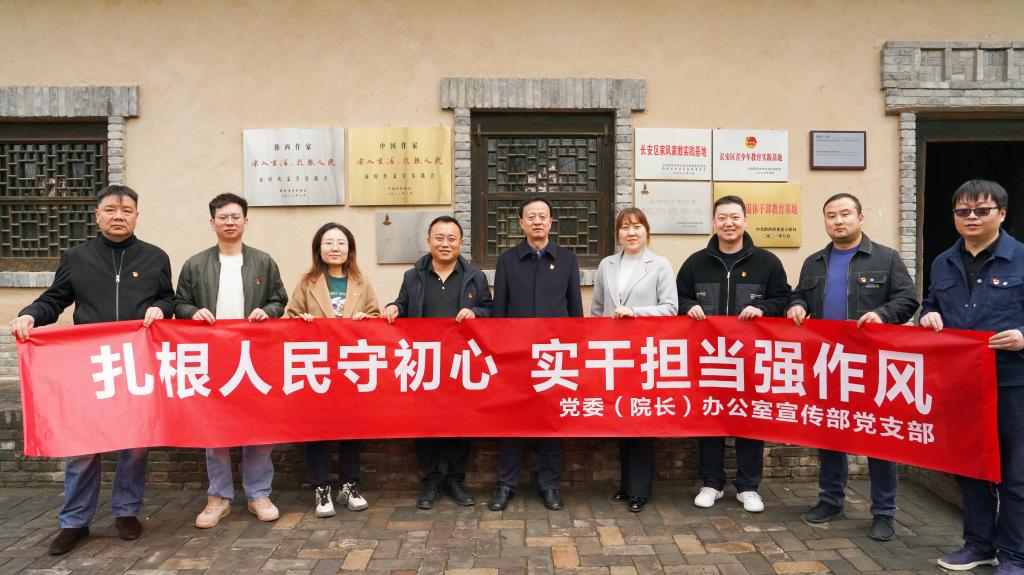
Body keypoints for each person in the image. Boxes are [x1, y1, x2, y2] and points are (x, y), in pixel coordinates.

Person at [9, 185, 174, 554]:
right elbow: (55, 298)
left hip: (136, 364)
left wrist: (162, 308)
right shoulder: (77, 257)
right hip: (90, 365)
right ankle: (75, 521)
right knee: (83, 445)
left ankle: (127, 511)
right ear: (97, 215)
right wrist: (31, 315)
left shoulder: (155, 257)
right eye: (111, 209)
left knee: (135, 444)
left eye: (127, 210)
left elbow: (168, 297)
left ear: (137, 216)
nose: (119, 216)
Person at [787, 193, 918, 540]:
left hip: (872, 364)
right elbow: (798, 294)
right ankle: (831, 499)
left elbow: (908, 299)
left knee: (879, 438)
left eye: (845, 214)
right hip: (828, 363)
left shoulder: (886, 258)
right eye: (831, 215)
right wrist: (796, 306)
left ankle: (884, 511)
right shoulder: (814, 262)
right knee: (830, 433)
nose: (838, 221)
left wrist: (882, 314)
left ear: (860, 217)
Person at [920, 180, 1024, 574]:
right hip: (961, 383)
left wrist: (1023, 336)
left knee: (1015, 473)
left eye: (982, 210)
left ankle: (1014, 554)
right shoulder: (943, 262)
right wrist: (928, 315)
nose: (972, 218)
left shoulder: (1021, 259)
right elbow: (931, 304)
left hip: (1012, 383)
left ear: (1001, 213)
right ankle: (979, 544)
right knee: (969, 466)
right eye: (963, 211)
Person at [173, 193, 288, 528]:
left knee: (259, 426)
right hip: (213, 357)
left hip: (254, 357)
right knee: (215, 428)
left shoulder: (263, 261)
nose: (229, 222)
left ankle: (258, 494)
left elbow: (279, 299)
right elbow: (179, 303)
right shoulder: (195, 264)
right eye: (222, 217)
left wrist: (267, 311)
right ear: (212, 222)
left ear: (245, 221)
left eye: (236, 216)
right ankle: (219, 496)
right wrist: (193, 312)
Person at [676, 195, 790, 513]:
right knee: (710, 420)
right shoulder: (695, 263)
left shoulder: (767, 262)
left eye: (735, 217)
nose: (729, 223)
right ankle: (711, 483)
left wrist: (763, 308)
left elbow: (784, 298)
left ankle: (748, 487)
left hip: (750, 358)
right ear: (714, 222)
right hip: (708, 358)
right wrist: (689, 306)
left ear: (745, 220)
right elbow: (678, 297)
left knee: (749, 420)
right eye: (722, 218)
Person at [382, 215, 492, 509]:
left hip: (461, 363)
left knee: (459, 423)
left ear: (461, 242)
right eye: (439, 238)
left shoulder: (476, 277)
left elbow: (489, 310)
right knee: (426, 423)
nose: (445, 243)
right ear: (429, 241)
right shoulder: (413, 276)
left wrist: (476, 313)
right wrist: (394, 307)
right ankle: (431, 481)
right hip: (424, 363)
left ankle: (455, 479)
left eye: (451, 238)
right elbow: (403, 304)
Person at [488, 196, 584, 511]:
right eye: (531, 217)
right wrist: (501, 350)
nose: (537, 221)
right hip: (515, 355)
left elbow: (575, 310)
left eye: (543, 216)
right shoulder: (507, 260)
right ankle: (506, 484)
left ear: (551, 222)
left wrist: (575, 350)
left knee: (552, 422)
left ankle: (550, 485)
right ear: (521, 223)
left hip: (554, 356)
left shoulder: (567, 260)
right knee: (511, 421)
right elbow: (499, 311)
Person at [286, 222, 381, 517]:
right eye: (328, 243)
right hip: (318, 367)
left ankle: (350, 485)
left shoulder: (362, 283)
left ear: (350, 249)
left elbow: (376, 318)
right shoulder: (308, 283)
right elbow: (289, 319)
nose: (335, 248)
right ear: (319, 248)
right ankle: (321, 487)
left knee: (352, 426)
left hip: (351, 367)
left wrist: (368, 319)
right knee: (317, 427)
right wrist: (300, 320)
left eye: (341, 243)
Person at [592, 207, 678, 513]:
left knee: (641, 418)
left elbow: (670, 308)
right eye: (625, 227)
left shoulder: (660, 265)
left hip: (645, 353)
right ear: (618, 233)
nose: (631, 232)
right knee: (621, 416)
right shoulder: (606, 265)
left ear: (646, 231)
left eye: (637, 226)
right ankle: (626, 484)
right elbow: (598, 309)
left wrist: (635, 312)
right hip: (614, 355)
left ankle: (640, 490)